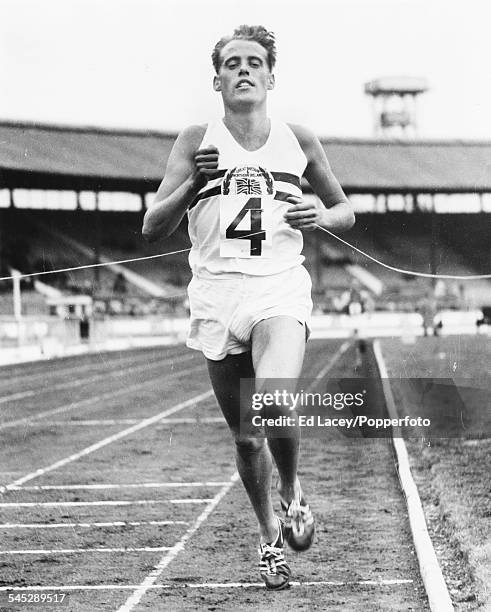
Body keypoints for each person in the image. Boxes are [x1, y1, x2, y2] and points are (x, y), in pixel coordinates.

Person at [143, 25, 355, 590]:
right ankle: (268, 539)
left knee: (273, 398)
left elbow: (345, 212)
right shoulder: (194, 139)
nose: (243, 70)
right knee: (246, 437)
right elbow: (151, 225)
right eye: (232, 62)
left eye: (254, 62)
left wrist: (319, 214)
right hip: (216, 296)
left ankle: (292, 491)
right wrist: (193, 182)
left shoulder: (298, 140)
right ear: (217, 80)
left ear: (270, 76)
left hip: (278, 288)